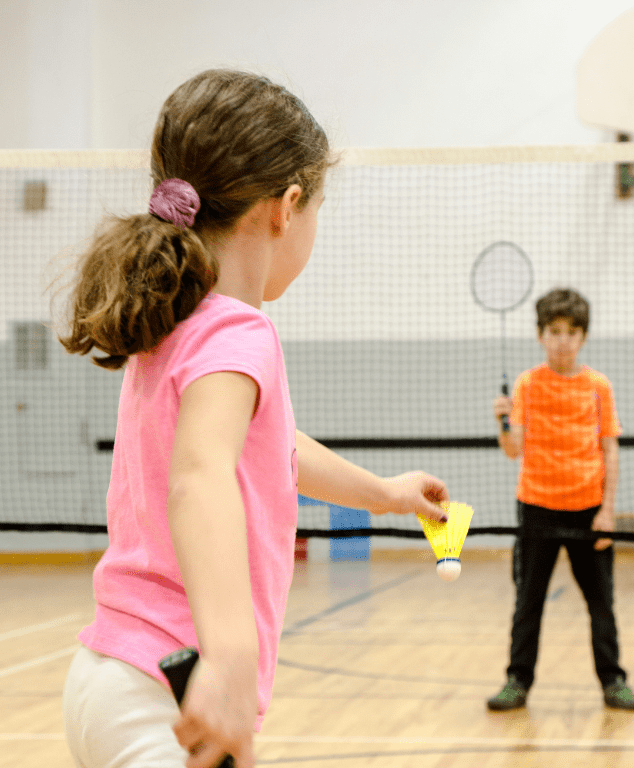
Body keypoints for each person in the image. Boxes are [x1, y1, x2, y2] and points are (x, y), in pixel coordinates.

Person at [58, 69, 450, 768]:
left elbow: (271, 454)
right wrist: (231, 657)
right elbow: (201, 479)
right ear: (286, 208)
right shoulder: (239, 333)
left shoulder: (174, 324)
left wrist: (385, 494)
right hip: (173, 688)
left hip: (108, 677)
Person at [486, 288, 634, 712]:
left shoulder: (598, 387)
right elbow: (513, 449)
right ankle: (517, 681)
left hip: (589, 511)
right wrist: (502, 420)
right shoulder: (527, 384)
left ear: (583, 338)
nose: (562, 340)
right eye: (554, 331)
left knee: (601, 604)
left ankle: (613, 681)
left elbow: (610, 448)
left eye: (571, 332)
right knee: (528, 601)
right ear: (540, 335)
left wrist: (608, 510)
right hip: (536, 509)